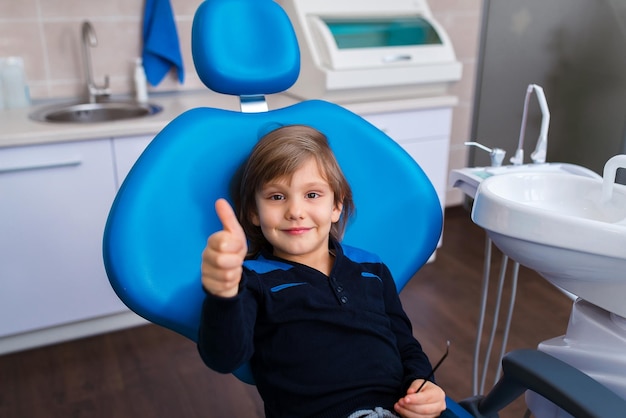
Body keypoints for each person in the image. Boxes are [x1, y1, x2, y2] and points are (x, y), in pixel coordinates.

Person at [198, 124, 449, 418]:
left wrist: (424, 383)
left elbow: (405, 344)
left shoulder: (373, 269)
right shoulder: (253, 281)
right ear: (253, 212)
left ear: (337, 205)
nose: (295, 211)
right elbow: (224, 357)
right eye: (277, 197)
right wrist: (223, 295)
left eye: (313, 195)